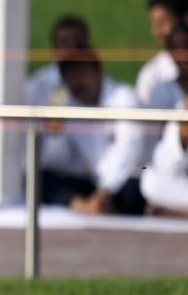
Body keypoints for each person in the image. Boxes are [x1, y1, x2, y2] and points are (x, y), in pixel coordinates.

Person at [27, 51, 146, 215]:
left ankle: (102, 205)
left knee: (142, 187)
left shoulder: (124, 98)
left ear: (97, 72)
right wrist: (55, 134)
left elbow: (128, 151)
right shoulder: (68, 104)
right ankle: (82, 205)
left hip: (122, 182)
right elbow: (58, 163)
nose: (77, 84)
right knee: (39, 178)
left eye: (81, 75)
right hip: (90, 184)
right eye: (70, 79)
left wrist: (105, 191)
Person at [140, 25, 188, 218]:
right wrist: (182, 139)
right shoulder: (182, 105)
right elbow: (164, 163)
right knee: (150, 179)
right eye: (176, 49)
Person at [23, 15, 91, 104]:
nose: (70, 48)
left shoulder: (96, 85)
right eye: (63, 43)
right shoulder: (38, 84)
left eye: (78, 43)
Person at [137, 0, 188, 109]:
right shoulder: (151, 76)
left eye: (162, 23)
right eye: (154, 24)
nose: (156, 32)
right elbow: (146, 125)